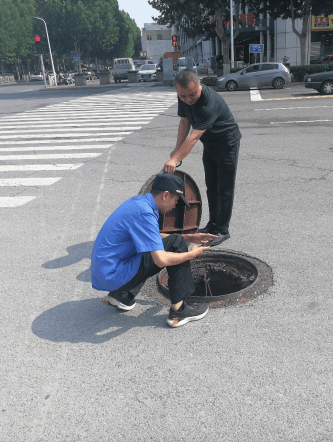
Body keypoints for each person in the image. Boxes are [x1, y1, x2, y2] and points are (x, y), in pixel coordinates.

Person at [91, 173, 217, 328]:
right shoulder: (145, 212)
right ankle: (179, 310)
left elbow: (152, 237)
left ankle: (122, 295)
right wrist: (191, 254)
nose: (175, 207)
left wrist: (191, 238)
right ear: (165, 195)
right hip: (113, 275)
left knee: (154, 244)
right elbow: (161, 259)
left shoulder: (139, 204)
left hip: (105, 272)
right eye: (176, 201)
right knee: (175, 243)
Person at [164, 69, 241, 247]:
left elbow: (194, 136)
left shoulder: (209, 102)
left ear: (199, 84)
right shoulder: (183, 95)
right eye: (183, 96)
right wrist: (176, 151)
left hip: (227, 143)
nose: (188, 99)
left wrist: (175, 160)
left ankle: (222, 229)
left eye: (192, 94)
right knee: (211, 187)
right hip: (211, 145)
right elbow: (185, 121)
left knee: (224, 188)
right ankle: (212, 225)